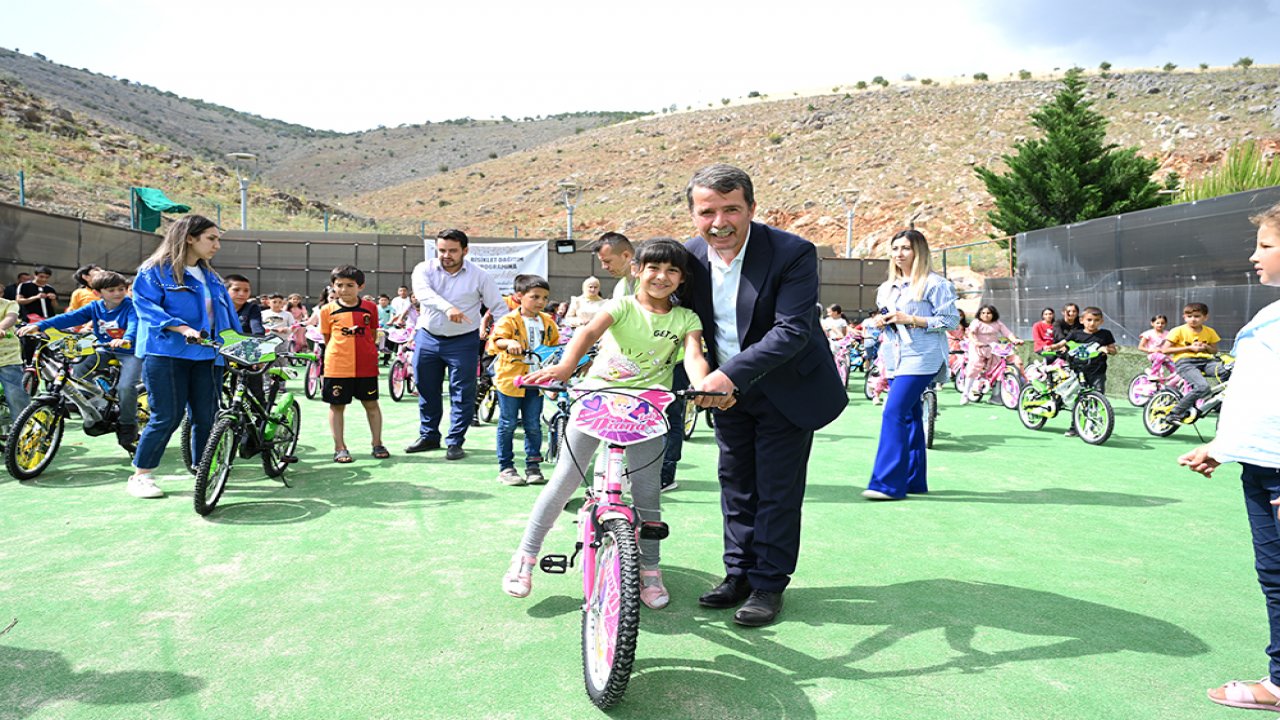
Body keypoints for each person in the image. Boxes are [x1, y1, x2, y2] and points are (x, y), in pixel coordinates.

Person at [504, 238, 711, 610]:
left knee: (647, 492)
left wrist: (703, 383)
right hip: (597, 398)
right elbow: (587, 334)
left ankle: (650, 569)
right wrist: (566, 368)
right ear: (637, 271)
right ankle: (524, 558)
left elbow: (694, 355)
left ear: (682, 279)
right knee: (565, 480)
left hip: (647, 409)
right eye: (653, 268)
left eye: (672, 271)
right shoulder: (621, 305)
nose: (661, 277)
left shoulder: (686, 318)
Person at [682, 164, 846, 626]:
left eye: (731, 209)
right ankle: (737, 574)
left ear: (752, 208)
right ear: (693, 214)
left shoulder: (792, 252)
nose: (720, 222)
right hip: (724, 393)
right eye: (707, 211)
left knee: (776, 490)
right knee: (735, 485)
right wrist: (704, 376)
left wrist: (726, 376)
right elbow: (683, 329)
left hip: (785, 388)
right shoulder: (688, 258)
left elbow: (792, 330)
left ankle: (768, 585)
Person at [1178, 203, 1280, 713]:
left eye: (1266, 245)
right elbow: (1260, 397)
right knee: (1276, 576)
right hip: (1261, 468)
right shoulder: (1271, 314)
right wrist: (1223, 448)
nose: (1253, 254)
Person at [131, 215, 240, 499]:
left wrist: (242, 345)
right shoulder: (153, 271)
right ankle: (141, 475)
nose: (217, 245)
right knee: (167, 416)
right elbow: (146, 308)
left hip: (208, 357)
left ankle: (203, 469)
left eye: (218, 239)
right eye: (211, 238)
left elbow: (225, 317)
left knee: (206, 417)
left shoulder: (212, 278)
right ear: (190, 237)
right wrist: (183, 328)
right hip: (167, 354)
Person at [864, 228, 959, 500]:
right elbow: (885, 318)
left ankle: (887, 484)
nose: (899, 254)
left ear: (919, 251)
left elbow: (951, 321)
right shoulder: (886, 289)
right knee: (909, 415)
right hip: (894, 356)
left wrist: (912, 319)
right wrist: (882, 321)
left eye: (905, 248)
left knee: (892, 412)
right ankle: (914, 480)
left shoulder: (935, 284)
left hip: (922, 357)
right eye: (894, 249)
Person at [405, 229, 507, 459]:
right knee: (426, 387)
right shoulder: (424, 269)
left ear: (465, 251)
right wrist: (448, 308)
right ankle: (429, 435)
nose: (446, 255)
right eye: (442, 250)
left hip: (464, 341)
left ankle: (455, 441)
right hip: (428, 336)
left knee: (462, 392)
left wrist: (501, 337)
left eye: (452, 250)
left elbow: (500, 309)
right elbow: (423, 294)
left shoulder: (480, 276)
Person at [20, 269, 141, 449]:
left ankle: (127, 426)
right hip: (103, 348)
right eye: (112, 290)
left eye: (121, 289)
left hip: (130, 351)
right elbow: (69, 317)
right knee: (79, 367)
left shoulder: (130, 306)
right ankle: (89, 402)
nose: (118, 293)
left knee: (125, 387)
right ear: (97, 293)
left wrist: (127, 339)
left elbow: (134, 323)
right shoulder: (95, 307)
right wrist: (39, 325)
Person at [487, 274, 559, 486]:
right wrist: (508, 342)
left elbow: (554, 348)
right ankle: (506, 467)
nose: (541, 302)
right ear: (519, 296)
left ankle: (533, 465)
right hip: (511, 380)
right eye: (535, 297)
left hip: (536, 381)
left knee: (533, 425)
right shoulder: (508, 320)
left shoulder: (548, 322)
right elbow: (496, 341)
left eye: (545, 298)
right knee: (507, 423)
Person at [319, 265, 387, 463]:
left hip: (366, 366)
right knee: (337, 406)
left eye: (350, 285)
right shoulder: (327, 310)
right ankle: (340, 447)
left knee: (371, 404)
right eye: (339, 285)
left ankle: (377, 443)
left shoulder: (371, 308)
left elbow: (372, 334)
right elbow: (327, 337)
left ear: (361, 287)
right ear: (333, 286)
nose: (344, 290)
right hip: (337, 366)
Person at [1046, 306, 1118, 436]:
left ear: (1101, 321)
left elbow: (1113, 350)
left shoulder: (1105, 334)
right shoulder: (1076, 334)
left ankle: (1093, 425)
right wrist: (1052, 347)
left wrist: (1106, 349)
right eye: (1089, 320)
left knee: (1097, 398)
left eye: (1096, 320)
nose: (1092, 323)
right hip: (1078, 371)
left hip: (1097, 372)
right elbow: (1062, 343)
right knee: (1076, 399)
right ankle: (1075, 427)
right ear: (1082, 320)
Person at [1160, 302, 1223, 424]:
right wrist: (1189, 349)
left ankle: (1217, 404)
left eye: (1197, 316)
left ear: (1205, 317)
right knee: (1202, 387)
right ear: (1184, 317)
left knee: (1228, 372)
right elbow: (1165, 350)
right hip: (1185, 362)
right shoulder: (1178, 330)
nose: (1193, 319)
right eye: (1189, 317)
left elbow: (1214, 350)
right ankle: (1175, 412)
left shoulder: (1210, 331)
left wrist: (1205, 347)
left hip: (1207, 362)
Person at [961, 304, 1023, 404]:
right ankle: (965, 394)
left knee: (997, 368)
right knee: (974, 366)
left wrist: (1015, 340)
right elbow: (971, 333)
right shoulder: (976, 322)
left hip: (993, 348)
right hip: (978, 347)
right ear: (979, 314)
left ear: (993, 314)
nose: (986, 315)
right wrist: (976, 342)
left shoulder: (997, 323)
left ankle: (997, 395)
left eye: (989, 313)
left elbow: (1007, 333)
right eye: (983, 313)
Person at [0, 291, 31, 424]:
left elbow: (11, 318)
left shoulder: (9, 304)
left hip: (7, 356)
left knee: (15, 394)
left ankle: (23, 428)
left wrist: (1, 328)